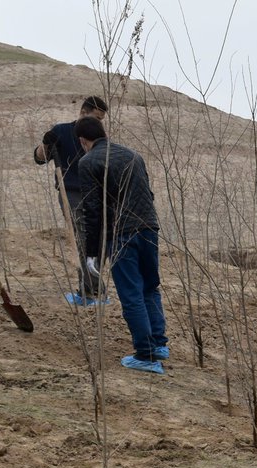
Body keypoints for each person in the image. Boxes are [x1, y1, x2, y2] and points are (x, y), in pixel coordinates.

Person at [75, 116, 168, 374]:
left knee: (131, 293)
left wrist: (93, 253)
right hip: (149, 227)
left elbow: (92, 211)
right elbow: (148, 194)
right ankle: (159, 344)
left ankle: (146, 356)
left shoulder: (88, 162)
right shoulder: (133, 155)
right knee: (150, 287)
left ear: (83, 141)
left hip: (123, 233)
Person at [35, 95, 109, 304]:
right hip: (71, 192)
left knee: (99, 238)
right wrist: (46, 143)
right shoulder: (61, 131)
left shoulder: (98, 135)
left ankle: (92, 288)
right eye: (96, 117)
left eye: (101, 120)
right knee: (83, 238)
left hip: (96, 192)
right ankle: (91, 292)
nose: (98, 123)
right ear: (83, 112)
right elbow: (39, 158)